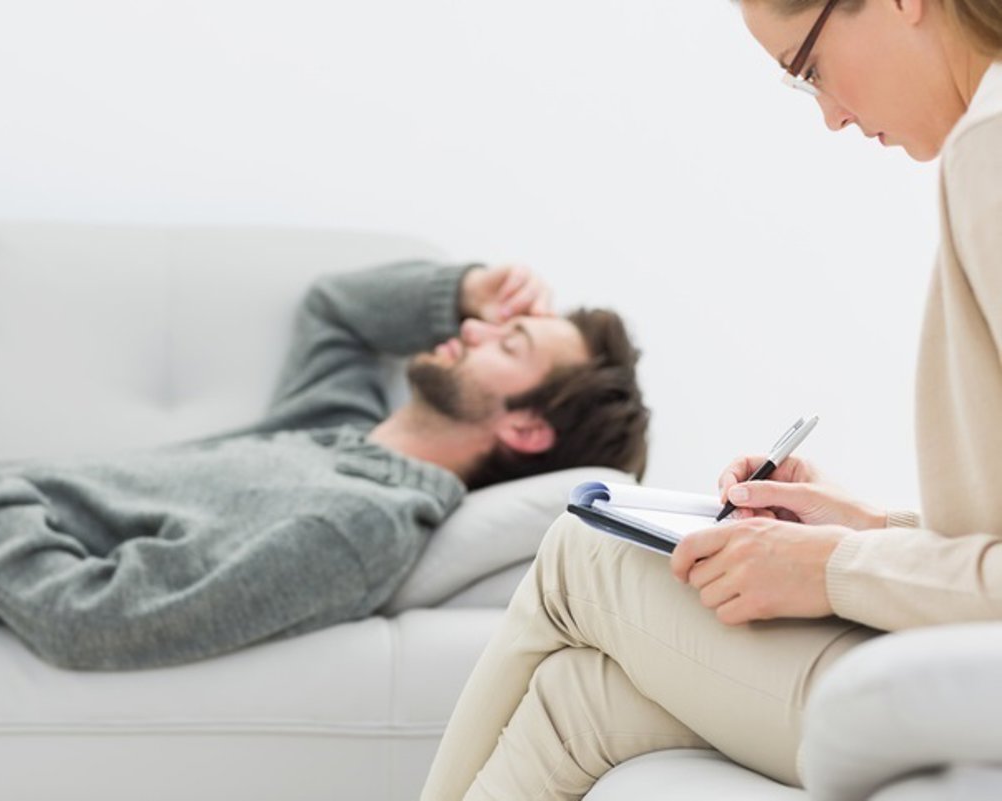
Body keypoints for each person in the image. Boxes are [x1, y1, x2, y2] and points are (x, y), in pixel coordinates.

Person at [420, 1, 1002, 799]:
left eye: (809, 69)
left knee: (580, 554)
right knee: (577, 700)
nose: (831, 115)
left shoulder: (990, 148)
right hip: (966, 657)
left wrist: (831, 566)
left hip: (971, 681)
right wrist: (867, 526)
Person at [0, 259, 650, 671]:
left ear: (528, 428)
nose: (469, 332)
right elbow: (336, 310)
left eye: (508, 343)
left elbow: (95, 620)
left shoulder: (357, 525)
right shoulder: (332, 432)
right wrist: (466, 287)